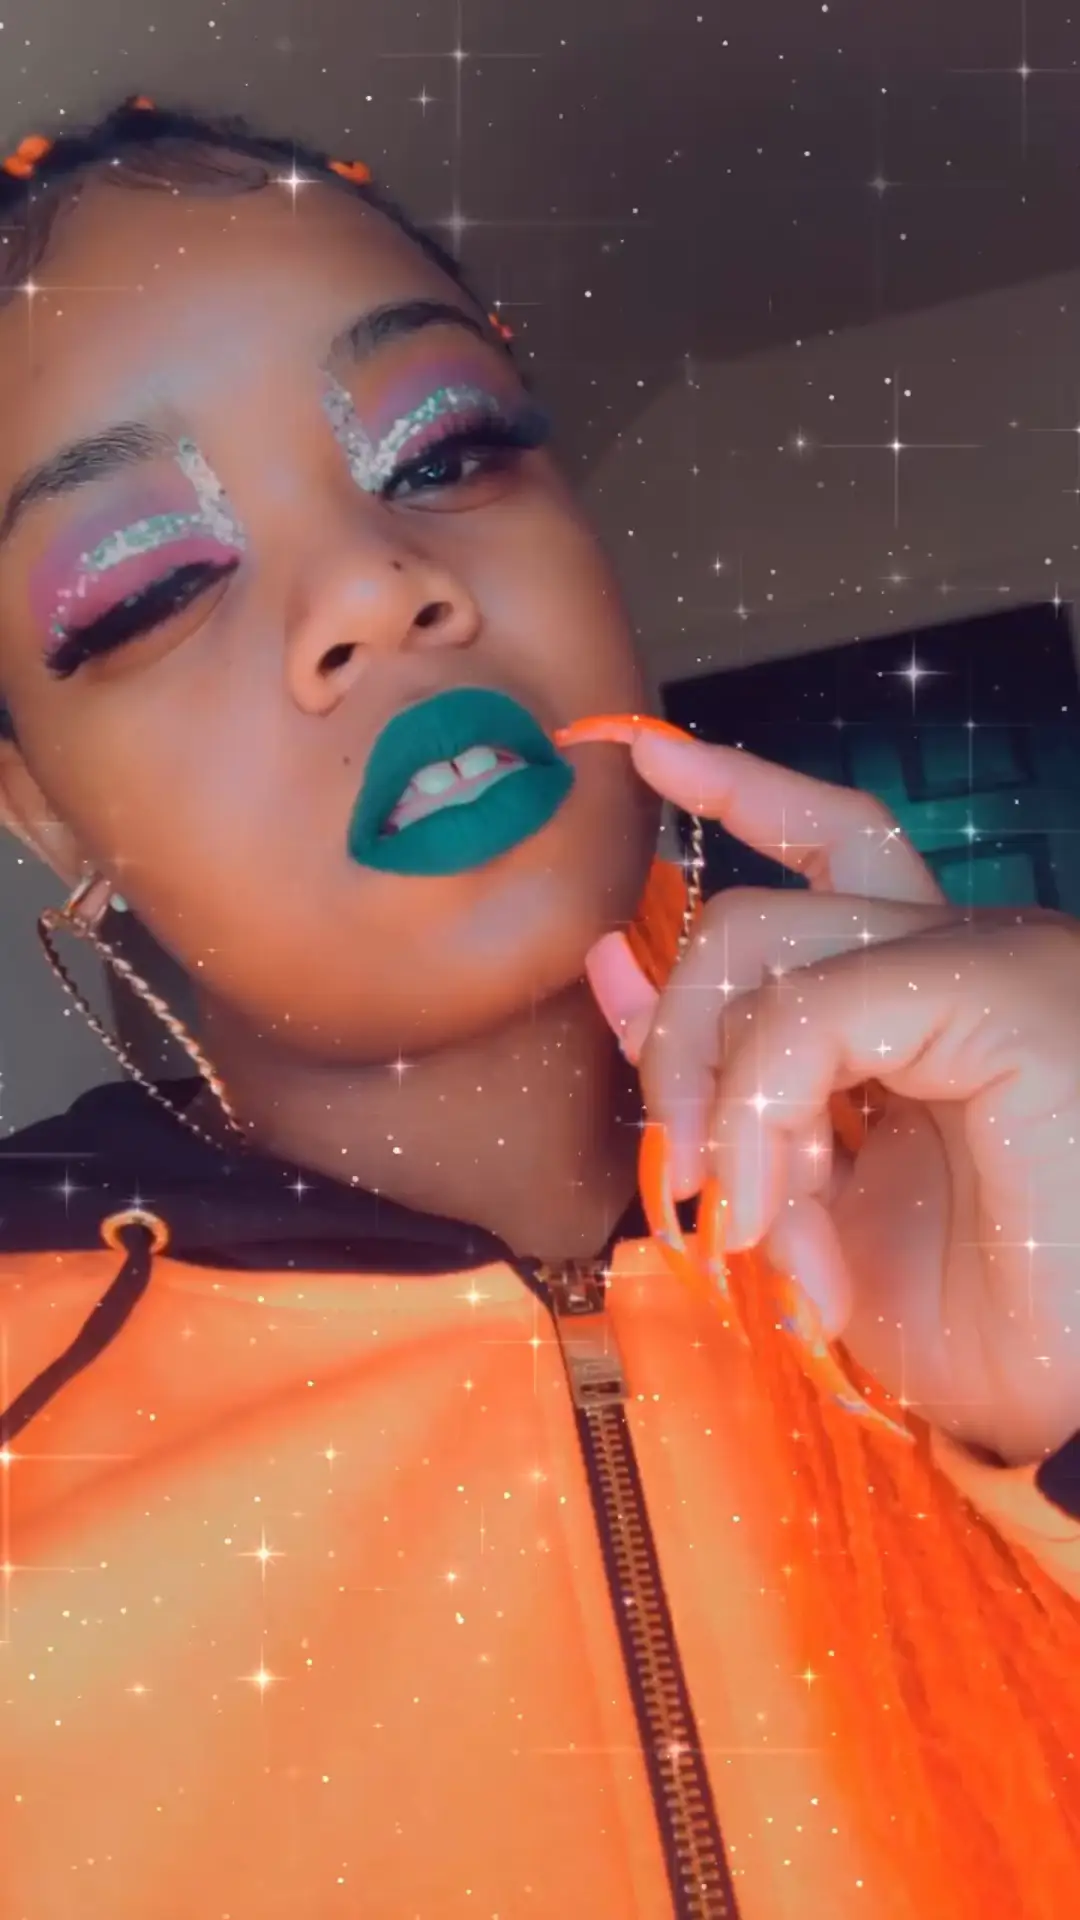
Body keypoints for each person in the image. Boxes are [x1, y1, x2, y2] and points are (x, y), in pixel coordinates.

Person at [0, 97, 1076, 1920]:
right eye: (149, 585)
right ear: (42, 812)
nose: (376, 585)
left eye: (443, 448)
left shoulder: (1008, 1192)